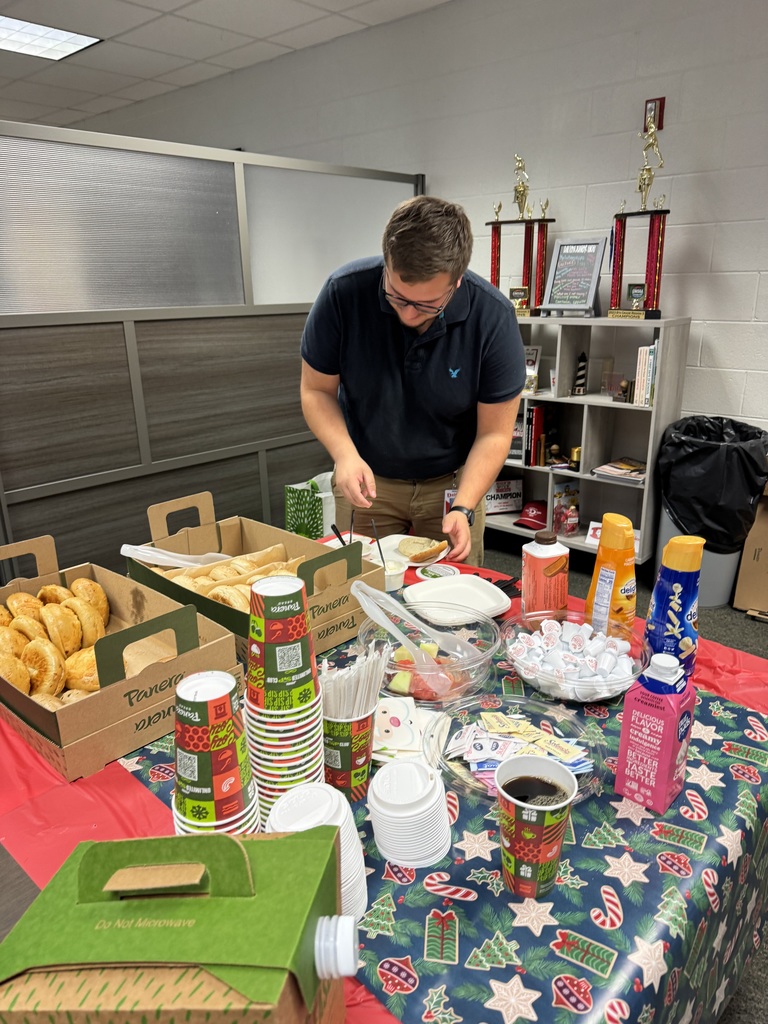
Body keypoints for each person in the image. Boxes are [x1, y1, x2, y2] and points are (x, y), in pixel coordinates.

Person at [300, 195, 526, 564]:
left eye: (424, 305)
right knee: (359, 595)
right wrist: (344, 455)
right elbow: (315, 391)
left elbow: (495, 433)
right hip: (367, 478)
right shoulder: (343, 294)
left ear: (456, 282)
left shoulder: (492, 318)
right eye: (396, 295)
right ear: (387, 263)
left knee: (452, 605)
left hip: (453, 484)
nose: (406, 314)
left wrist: (464, 507)